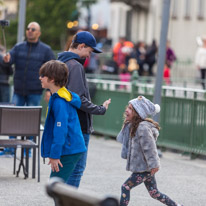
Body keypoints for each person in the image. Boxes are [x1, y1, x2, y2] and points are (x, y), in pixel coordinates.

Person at [58, 31, 111, 188]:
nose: (89, 55)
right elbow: (77, 99)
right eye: (89, 51)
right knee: (76, 168)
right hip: (78, 125)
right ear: (81, 46)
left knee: (66, 167)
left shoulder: (61, 63)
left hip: (66, 121)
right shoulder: (75, 66)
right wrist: (100, 109)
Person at [0, 22, 55, 156]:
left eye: (33, 29)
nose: (29, 31)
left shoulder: (46, 50)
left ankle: (28, 150)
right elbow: (7, 62)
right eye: (28, 29)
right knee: (12, 119)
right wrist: (6, 59)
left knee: (31, 121)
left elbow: (52, 71)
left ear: (38, 33)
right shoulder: (18, 47)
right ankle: (10, 149)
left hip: (35, 91)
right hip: (18, 90)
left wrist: (49, 91)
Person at [117, 96, 183, 206]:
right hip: (145, 167)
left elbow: (150, 148)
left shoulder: (142, 127)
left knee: (125, 187)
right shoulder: (133, 125)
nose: (126, 110)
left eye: (130, 109)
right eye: (127, 107)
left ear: (138, 112)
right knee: (154, 193)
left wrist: (154, 165)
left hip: (144, 169)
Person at [39, 60, 87, 182]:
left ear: (52, 79)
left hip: (69, 150)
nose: (40, 78)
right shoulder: (61, 96)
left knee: (55, 185)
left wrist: (55, 155)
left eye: (43, 76)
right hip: (72, 148)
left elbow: (60, 129)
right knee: (63, 187)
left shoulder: (60, 101)